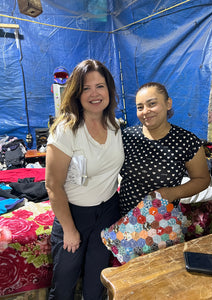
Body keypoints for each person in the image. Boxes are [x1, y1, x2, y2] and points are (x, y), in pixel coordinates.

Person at [45, 59, 124, 300]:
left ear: (109, 90)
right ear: (76, 94)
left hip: (108, 212)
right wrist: (69, 229)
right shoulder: (66, 130)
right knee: (64, 284)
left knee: (96, 283)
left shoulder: (115, 126)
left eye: (100, 86)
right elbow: (52, 185)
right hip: (74, 215)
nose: (94, 94)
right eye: (86, 88)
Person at [119, 82, 210, 216]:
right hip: (124, 219)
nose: (145, 111)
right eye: (140, 107)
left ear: (168, 103)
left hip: (162, 224)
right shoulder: (127, 136)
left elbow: (202, 179)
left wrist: (173, 193)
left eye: (152, 104)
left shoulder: (187, 141)